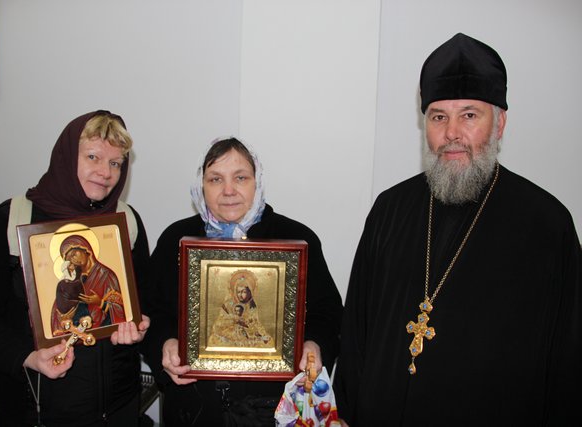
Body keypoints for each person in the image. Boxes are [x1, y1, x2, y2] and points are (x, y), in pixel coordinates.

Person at [333, 33, 582, 426]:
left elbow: (568, 362)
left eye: (469, 115)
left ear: (499, 123)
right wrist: (345, 413)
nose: (451, 133)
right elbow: (356, 334)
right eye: (438, 117)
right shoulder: (390, 210)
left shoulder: (547, 225)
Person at [0, 110, 151, 426]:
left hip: (117, 407)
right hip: (32, 408)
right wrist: (28, 357)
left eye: (115, 163)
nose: (105, 172)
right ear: (66, 156)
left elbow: (142, 300)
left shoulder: (125, 222)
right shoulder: (10, 220)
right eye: (93, 157)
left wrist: (136, 323)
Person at [141, 137, 343, 426]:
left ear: (256, 181)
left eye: (240, 178)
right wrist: (165, 343)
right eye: (215, 179)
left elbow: (328, 313)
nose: (228, 190)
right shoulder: (176, 238)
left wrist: (315, 344)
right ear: (201, 184)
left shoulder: (297, 239)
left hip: (271, 408)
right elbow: (150, 311)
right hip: (193, 407)